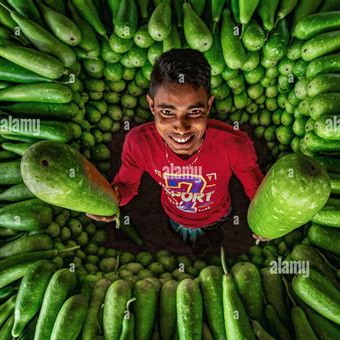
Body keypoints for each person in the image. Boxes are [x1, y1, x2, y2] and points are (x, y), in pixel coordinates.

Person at [87, 48, 269, 254]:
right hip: (172, 213)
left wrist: (269, 221)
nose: (181, 128)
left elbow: (257, 194)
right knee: (178, 233)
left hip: (217, 215)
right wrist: (106, 201)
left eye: (194, 112)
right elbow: (126, 186)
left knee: (211, 239)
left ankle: (206, 249)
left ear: (209, 106)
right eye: (166, 112)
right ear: (151, 106)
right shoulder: (139, 144)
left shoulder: (235, 145)